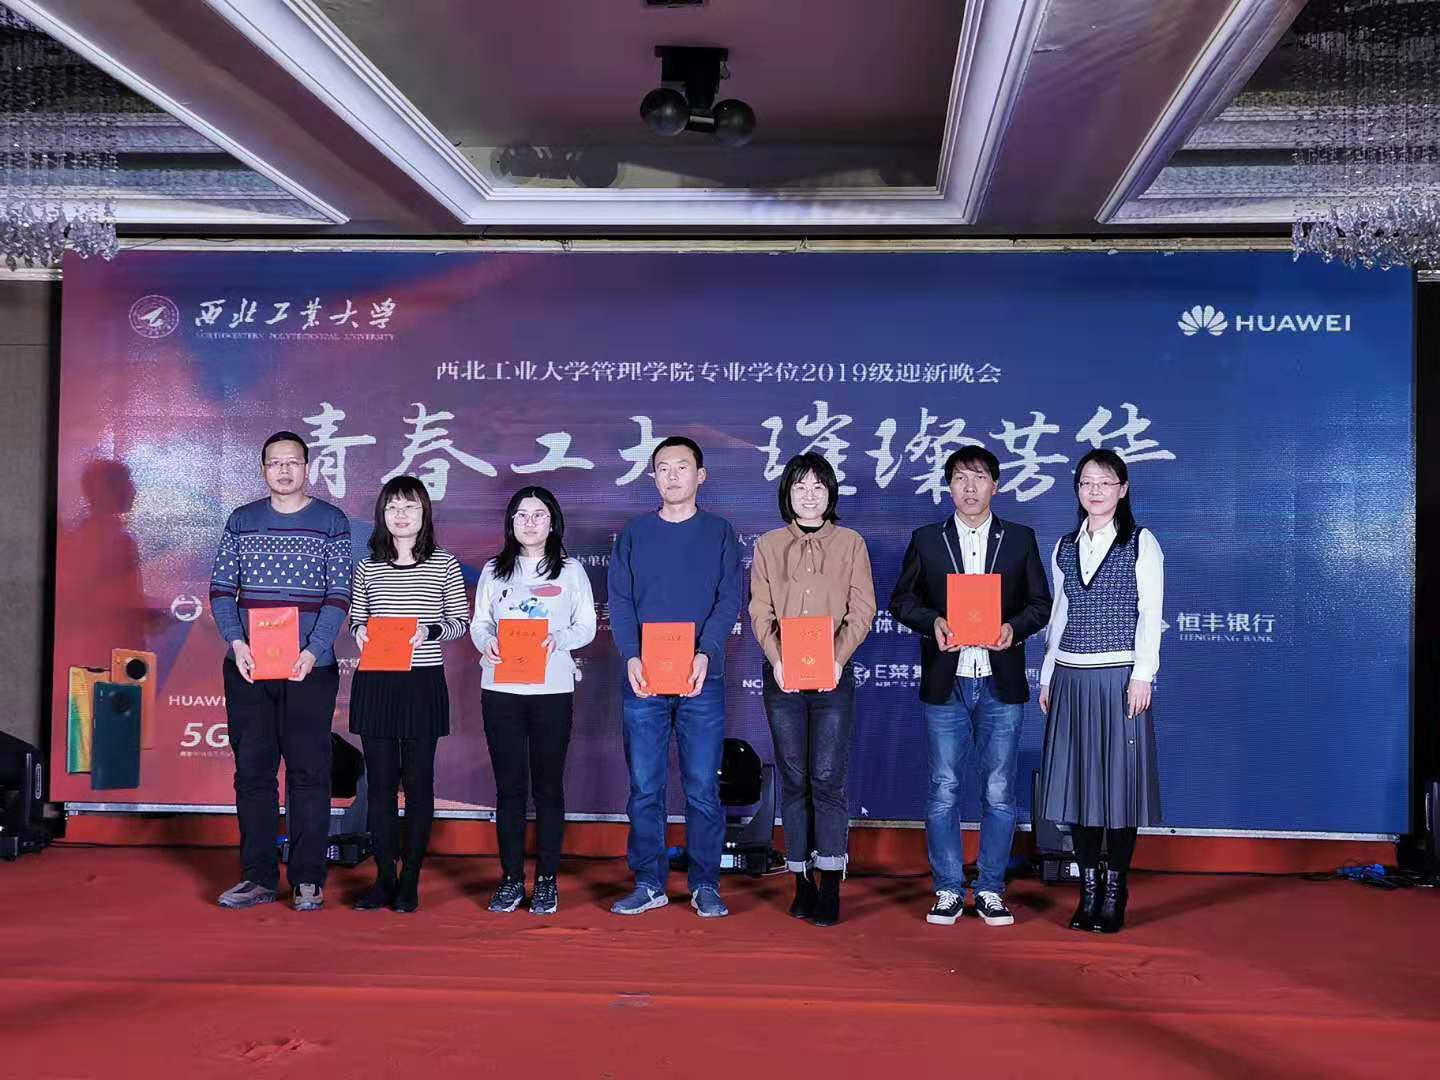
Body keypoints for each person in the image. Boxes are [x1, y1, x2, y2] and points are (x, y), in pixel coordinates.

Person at [889, 446, 1051, 927]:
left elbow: (1040, 604)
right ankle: (946, 888)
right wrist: (933, 621)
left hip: (1000, 681)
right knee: (944, 788)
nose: (970, 487)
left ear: (996, 486)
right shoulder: (927, 539)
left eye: (979, 477)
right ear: (949, 486)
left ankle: (991, 889)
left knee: (999, 791)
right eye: (960, 477)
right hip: (948, 681)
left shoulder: (1019, 539)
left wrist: (1013, 628)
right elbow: (902, 600)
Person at [210, 431, 352, 912]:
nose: (284, 470)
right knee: (253, 773)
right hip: (249, 668)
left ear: (307, 468)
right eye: (275, 463)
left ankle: (308, 879)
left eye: (293, 462)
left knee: (310, 773)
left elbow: (338, 595)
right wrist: (237, 643)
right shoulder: (241, 520)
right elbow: (221, 589)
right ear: (263, 469)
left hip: (309, 669)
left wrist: (314, 650)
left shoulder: (331, 522)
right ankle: (258, 877)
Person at [607, 436, 742, 918]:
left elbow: (729, 598)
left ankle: (705, 884)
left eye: (682, 467)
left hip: (700, 678)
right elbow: (620, 601)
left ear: (700, 475)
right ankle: (649, 882)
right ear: (653, 476)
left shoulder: (720, 532)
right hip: (644, 678)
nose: (672, 475)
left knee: (702, 787)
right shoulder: (634, 534)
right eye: (663, 467)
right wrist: (631, 656)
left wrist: (707, 652)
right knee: (645, 786)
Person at [1038, 448, 1164, 935]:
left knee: (1119, 790)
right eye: (1087, 482)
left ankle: (1115, 891)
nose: (1095, 490)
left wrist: (1143, 674)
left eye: (1105, 482)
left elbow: (1150, 612)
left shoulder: (1141, 542)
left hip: (1118, 678)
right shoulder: (1064, 546)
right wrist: (1047, 675)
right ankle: (1088, 890)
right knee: (1080, 787)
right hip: (1070, 675)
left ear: (1122, 489)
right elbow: (1059, 616)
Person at [749, 453, 875, 927]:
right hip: (782, 676)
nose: (809, 495)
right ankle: (801, 881)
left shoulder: (851, 543)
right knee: (795, 777)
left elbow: (862, 611)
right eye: (800, 486)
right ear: (787, 493)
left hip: (833, 677)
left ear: (830, 494)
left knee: (827, 778)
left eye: (818, 486)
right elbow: (760, 610)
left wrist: (836, 660)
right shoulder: (768, 545)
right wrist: (778, 660)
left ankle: (830, 883)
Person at [471, 486, 596, 916]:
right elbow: (479, 623)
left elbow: (587, 626)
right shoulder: (494, 570)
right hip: (501, 690)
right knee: (509, 788)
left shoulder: (570, 571)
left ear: (553, 522)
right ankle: (510, 879)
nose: (529, 522)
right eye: (521, 515)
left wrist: (557, 638)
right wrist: (486, 642)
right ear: (511, 522)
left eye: (538, 515)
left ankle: (546, 880)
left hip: (552, 691)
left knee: (547, 787)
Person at [348, 476, 470, 914]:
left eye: (410, 507)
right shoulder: (367, 566)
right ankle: (384, 877)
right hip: (377, 681)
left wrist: (428, 631)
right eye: (393, 507)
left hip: (421, 682)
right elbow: (356, 617)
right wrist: (360, 631)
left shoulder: (444, 564)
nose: (401, 515)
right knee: (380, 785)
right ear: (382, 515)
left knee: (418, 783)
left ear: (424, 513)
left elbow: (460, 621)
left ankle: (411, 878)